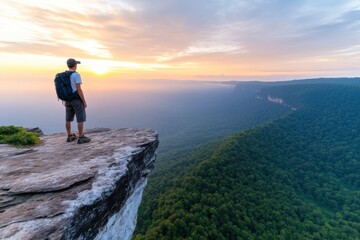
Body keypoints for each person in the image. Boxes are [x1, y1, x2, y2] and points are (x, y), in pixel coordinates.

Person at [64, 58, 91, 144]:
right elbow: (79, 89)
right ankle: (81, 137)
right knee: (80, 119)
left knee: (68, 119)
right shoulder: (76, 75)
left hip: (67, 99)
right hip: (76, 99)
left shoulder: (64, 74)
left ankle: (69, 136)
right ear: (75, 65)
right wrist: (84, 101)